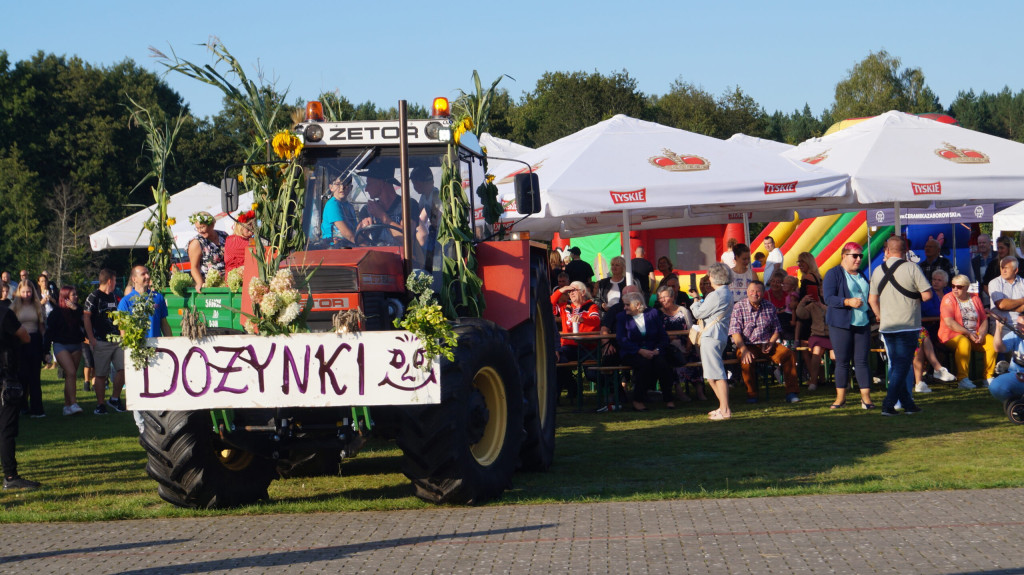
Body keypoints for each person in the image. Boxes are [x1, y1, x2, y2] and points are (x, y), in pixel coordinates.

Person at [869, 236, 933, 416]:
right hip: (909, 323)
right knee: (902, 366)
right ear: (905, 251)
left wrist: (880, 315)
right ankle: (888, 404)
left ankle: (908, 403)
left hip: (888, 326)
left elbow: (872, 299)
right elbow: (927, 295)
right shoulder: (912, 267)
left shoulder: (877, 271)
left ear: (887, 251)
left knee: (898, 365)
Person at [730, 280, 802, 404]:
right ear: (747, 292)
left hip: (767, 343)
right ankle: (752, 394)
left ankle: (792, 393)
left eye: (758, 291)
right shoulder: (738, 307)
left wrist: (771, 342)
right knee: (746, 359)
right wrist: (744, 350)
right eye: (752, 291)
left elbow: (776, 329)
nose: (755, 294)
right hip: (747, 344)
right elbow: (735, 332)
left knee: (788, 355)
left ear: (763, 293)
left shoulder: (769, 306)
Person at [823, 243, 876, 409]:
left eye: (860, 256)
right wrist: (846, 301)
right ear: (844, 256)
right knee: (843, 361)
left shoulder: (861, 274)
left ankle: (866, 399)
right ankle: (840, 399)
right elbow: (828, 298)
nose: (859, 259)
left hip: (862, 323)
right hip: (841, 324)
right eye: (855, 255)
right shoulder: (833, 273)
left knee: (862, 361)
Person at [616, 291, 676, 411]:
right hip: (632, 352)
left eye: (628, 304)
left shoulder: (653, 314)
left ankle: (669, 398)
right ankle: (637, 400)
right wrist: (639, 351)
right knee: (645, 365)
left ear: (638, 305)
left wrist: (657, 350)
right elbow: (621, 340)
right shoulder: (622, 317)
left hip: (654, 351)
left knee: (662, 363)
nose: (625, 307)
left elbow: (663, 336)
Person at [0, 300, 36, 490]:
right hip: (5, 377)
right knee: (6, 429)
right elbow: (25, 336)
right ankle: (10, 475)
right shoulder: (4, 314)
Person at [691, 262, 734, 420]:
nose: (708, 278)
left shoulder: (716, 295)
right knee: (711, 375)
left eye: (710, 275)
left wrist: (695, 301)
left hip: (711, 336)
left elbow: (699, 313)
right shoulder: (726, 293)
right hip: (718, 335)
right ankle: (722, 407)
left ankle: (725, 410)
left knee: (717, 374)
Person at [939, 273, 997, 389]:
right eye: (953, 286)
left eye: (959, 287)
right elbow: (949, 322)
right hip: (952, 335)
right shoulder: (948, 298)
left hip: (974, 334)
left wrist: (982, 334)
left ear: (966, 287)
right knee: (963, 342)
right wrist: (968, 333)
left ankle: (988, 377)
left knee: (992, 342)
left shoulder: (975, 298)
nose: (955, 289)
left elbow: (984, 319)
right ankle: (962, 379)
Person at [550, 281, 600, 401]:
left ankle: (613, 392)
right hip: (568, 346)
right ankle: (570, 389)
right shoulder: (565, 307)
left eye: (574, 290)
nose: (571, 293)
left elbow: (596, 321)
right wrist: (561, 290)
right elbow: (548, 304)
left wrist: (583, 319)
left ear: (583, 292)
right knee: (558, 363)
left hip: (587, 346)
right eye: (569, 291)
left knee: (592, 374)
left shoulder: (591, 306)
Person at [83, 269, 123, 415]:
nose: (115, 283)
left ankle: (114, 398)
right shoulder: (94, 296)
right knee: (100, 374)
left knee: (122, 369)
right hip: (100, 341)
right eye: (115, 280)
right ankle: (100, 404)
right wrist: (91, 338)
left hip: (117, 340)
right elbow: (86, 317)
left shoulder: (113, 296)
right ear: (110, 281)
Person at [657, 285, 705, 401]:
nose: (662, 300)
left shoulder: (683, 310)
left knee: (694, 357)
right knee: (670, 361)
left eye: (665, 297)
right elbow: (658, 333)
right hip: (669, 347)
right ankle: (679, 392)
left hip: (686, 344)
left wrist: (688, 346)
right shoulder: (658, 314)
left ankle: (700, 391)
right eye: (660, 298)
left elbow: (691, 329)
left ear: (673, 297)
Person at [45, 286, 85, 416]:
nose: (76, 297)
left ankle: (67, 406)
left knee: (70, 376)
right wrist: (46, 351)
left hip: (76, 345)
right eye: (73, 295)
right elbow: (48, 332)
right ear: (65, 297)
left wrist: (77, 310)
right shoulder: (56, 313)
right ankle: (74, 403)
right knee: (71, 372)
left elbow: (86, 323)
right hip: (61, 345)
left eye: (76, 294)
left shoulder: (78, 310)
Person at [357, 164, 419, 247]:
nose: (366, 189)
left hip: (403, 258)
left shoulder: (408, 204)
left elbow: (407, 240)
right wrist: (363, 231)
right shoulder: (367, 210)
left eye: (369, 184)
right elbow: (357, 241)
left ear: (381, 183)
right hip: (378, 258)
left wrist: (382, 216)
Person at [12, 281, 44, 417]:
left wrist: (45, 346)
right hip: (19, 343)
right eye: (24, 292)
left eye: (29, 292)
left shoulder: (37, 306)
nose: (26, 295)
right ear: (19, 292)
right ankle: (22, 406)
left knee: (35, 377)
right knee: (22, 376)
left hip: (35, 341)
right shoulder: (14, 307)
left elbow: (41, 326)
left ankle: (37, 409)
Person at [795, 292, 831, 393]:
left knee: (835, 355)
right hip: (817, 334)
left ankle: (843, 381)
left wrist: (822, 306)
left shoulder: (833, 302)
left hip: (832, 335)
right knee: (816, 351)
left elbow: (834, 314)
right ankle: (814, 381)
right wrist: (803, 301)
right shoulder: (813, 305)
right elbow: (801, 314)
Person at [187, 211, 227, 292]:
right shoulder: (196, 243)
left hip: (226, 283)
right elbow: (194, 267)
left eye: (202, 227)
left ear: (212, 225)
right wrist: (199, 282)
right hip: (210, 287)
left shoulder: (223, 235)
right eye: (197, 228)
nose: (200, 231)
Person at [989, 256, 1024, 338]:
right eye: (1002, 267)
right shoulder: (994, 283)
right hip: (1001, 325)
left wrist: (1010, 305)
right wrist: (1022, 300)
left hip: (1021, 324)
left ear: (1016, 270)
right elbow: (1001, 305)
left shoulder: (1022, 283)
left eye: (1007, 268)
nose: (1003, 270)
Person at [766, 271, 795, 340]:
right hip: (773, 326)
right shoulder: (766, 295)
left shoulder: (788, 294)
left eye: (778, 282)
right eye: (773, 281)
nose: (775, 284)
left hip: (787, 324)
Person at [224, 209, 256, 274]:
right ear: (240, 227)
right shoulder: (235, 241)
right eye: (249, 225)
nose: (252, 227)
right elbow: (257, 247)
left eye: (254, 224)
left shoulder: (231, 238)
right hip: (239, 278)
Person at [971, 234, 995, 303]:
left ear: (990, 243)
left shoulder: (997, 257)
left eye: (984, 243)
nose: (982, 245)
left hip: (998, 293)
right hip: (983, 297)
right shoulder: (975, 260)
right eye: (980, 243)